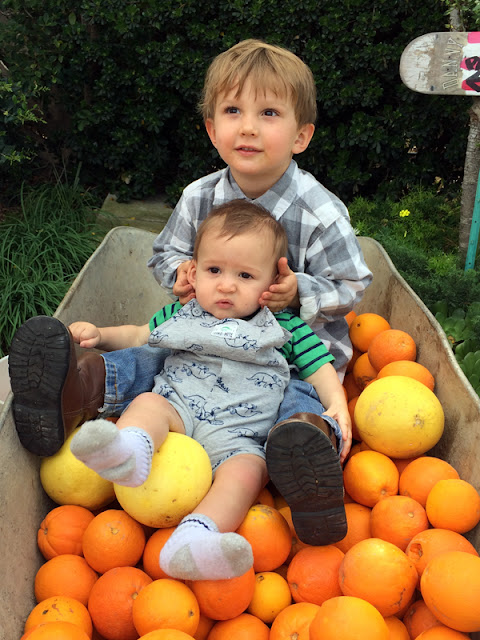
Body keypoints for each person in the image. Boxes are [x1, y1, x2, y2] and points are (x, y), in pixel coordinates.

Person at [9, 39, 371, 545]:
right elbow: (163, 257)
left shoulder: (321, 211)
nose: (247, 126)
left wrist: (298, 291)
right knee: (151, 355)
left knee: (295, 404)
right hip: (199, 338)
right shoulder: (198, 197)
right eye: (232, 111)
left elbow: (354, 286)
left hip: (287, 353)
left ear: (301, 135)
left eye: (268, 112)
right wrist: (180, 273)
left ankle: (307, 453)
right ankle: (76, 387)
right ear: (211, 129)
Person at [66, 201, 347, 581]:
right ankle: (128, 451)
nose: (226, 284)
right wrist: (102, 335)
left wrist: (337, 403)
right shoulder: (183, 311)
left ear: (272, 285)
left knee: (249, 472)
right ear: (194, 273)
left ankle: (196, 540)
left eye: (246, 276)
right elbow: (139, 335)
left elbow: (318, 368)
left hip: (241, 437)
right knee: (149, 402)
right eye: (215, 270)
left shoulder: (284, 326)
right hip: (178, 411)